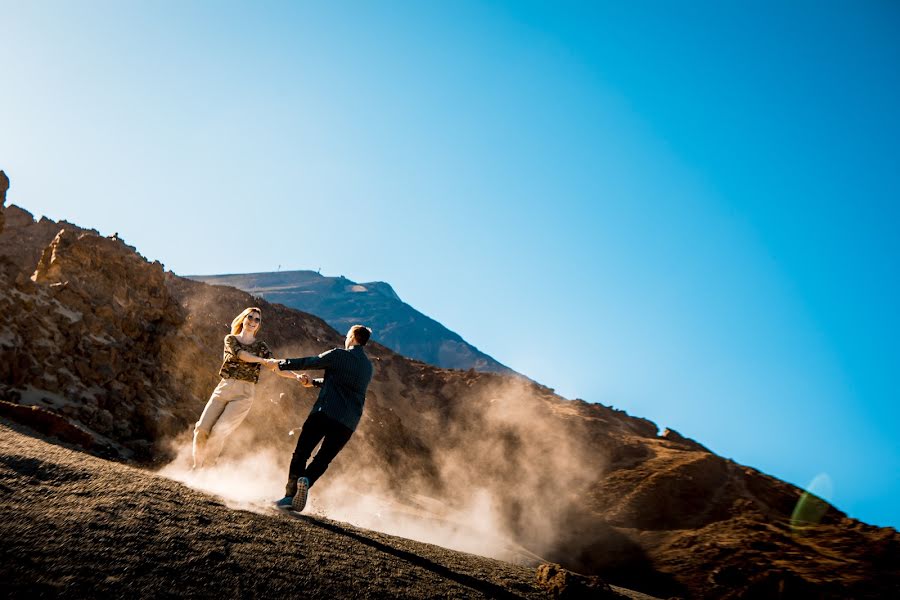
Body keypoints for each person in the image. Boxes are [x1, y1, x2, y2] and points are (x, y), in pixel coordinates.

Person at [266, 324, 374, 511]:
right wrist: (314, 383)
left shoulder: (339, 355)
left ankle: (289, 497)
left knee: (301, 453)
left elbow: (311, 361)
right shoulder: (368, 367)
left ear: (352, 337)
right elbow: (342, 383)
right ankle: (306, 480)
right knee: (322, 460)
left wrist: (281, 364)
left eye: (347, 335)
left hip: (325, 412)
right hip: (347, 423)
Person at [192, 307, 301, 468]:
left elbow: (276, 367)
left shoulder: (261, 346)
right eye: (250, 317)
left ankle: (206, 470)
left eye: (257, 319)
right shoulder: (231, 339)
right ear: (243, 319)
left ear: (258, 325)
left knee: (218, 432)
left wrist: (297, 376)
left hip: (244, 394)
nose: (253, 321)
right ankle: (196, 466)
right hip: (224, 387)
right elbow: (241, 355)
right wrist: (262, 361)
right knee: (201, 429)